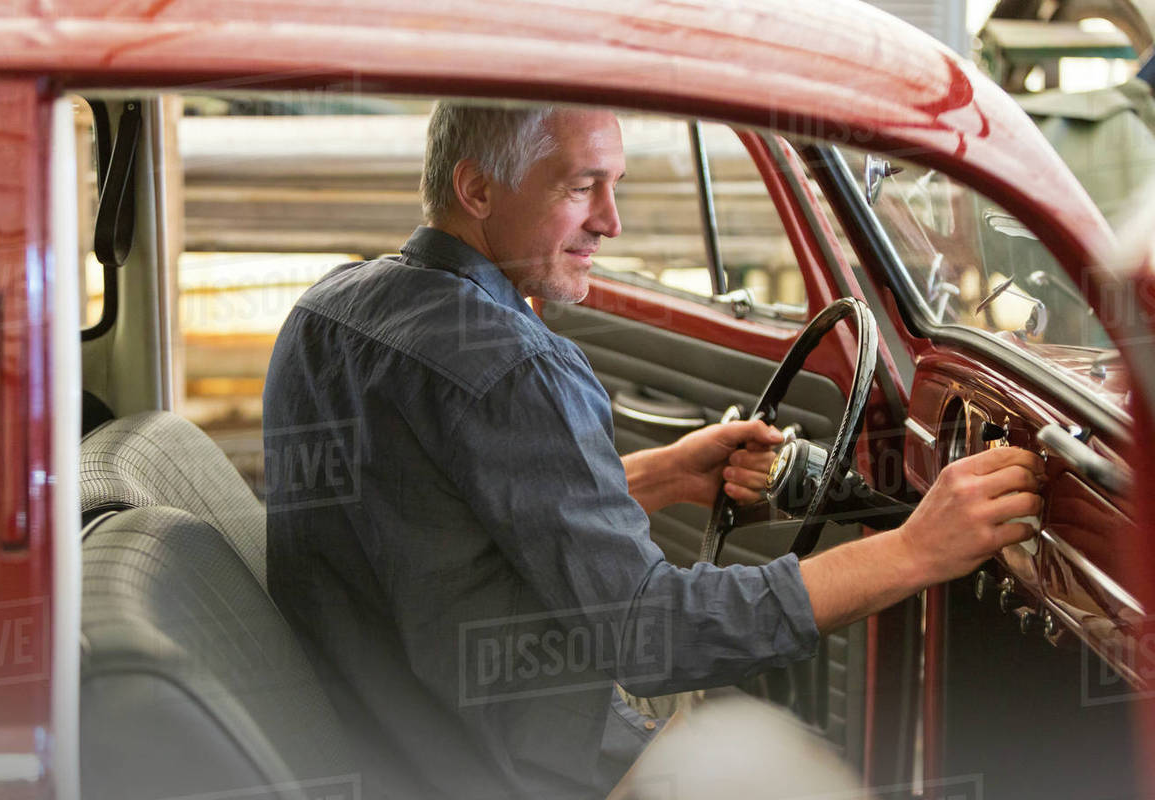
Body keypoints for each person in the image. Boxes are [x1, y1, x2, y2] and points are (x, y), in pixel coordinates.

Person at [263, 102, 1045, 799]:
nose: (613, 221)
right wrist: (915, 550)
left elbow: (445, 524)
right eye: (581, 188)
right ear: (476, 190)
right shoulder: (516, 365)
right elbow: (653, 638)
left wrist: (666, 472)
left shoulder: (326, 309)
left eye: (616, 186)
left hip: (388, 734)